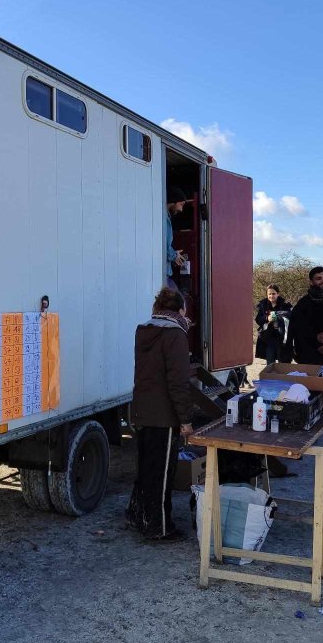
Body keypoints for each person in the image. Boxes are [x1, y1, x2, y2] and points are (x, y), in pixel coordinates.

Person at [126, 287, 193, 542]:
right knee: (162, 473)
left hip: (143, 410)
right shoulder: (175, 334)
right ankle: (159, 526)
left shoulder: (144, 329)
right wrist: (186, 420)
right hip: (163, 415)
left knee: (146, 469)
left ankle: (137, 514)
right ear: (179, 309)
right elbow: (178, 381)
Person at [255, 284, 292, 365]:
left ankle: (282, 377)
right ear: (267, 295)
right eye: (269, 294)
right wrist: (267, 318)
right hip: (269, 337)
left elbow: (290, 315)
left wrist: (278, 315)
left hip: (282, 338)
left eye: (274, 293)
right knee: (270, 362)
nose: (272, 296)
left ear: (278, 294)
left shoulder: (285, 304)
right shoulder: (263, 305)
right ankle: (271, 377)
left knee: (283, 363)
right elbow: (258, 319)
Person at [164, 186, 188, 290]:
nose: (181, 209)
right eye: (181, 204)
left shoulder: (166, 218)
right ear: (173, 201)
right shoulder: (163, 219)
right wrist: (174, 255)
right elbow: (162, 245)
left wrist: (175, 254)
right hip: (164, 273)